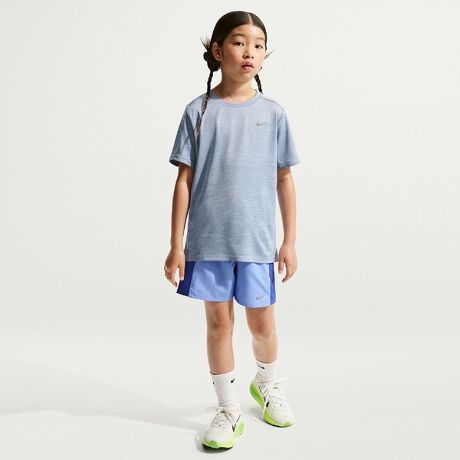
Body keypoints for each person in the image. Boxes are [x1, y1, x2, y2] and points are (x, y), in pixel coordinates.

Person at [164, 10, 300, 450]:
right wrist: (176, 245)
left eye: (258, 45)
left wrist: (290, 240)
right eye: (240, 42)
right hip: (208, 242)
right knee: (219, 323)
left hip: (256, 243)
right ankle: (227, 408)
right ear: (218, 50)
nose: (250, 52)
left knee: (262, 323)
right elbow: (183, 182)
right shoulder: (198, 112)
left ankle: (267, 382)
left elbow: (284, 179)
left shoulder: (273, 114)